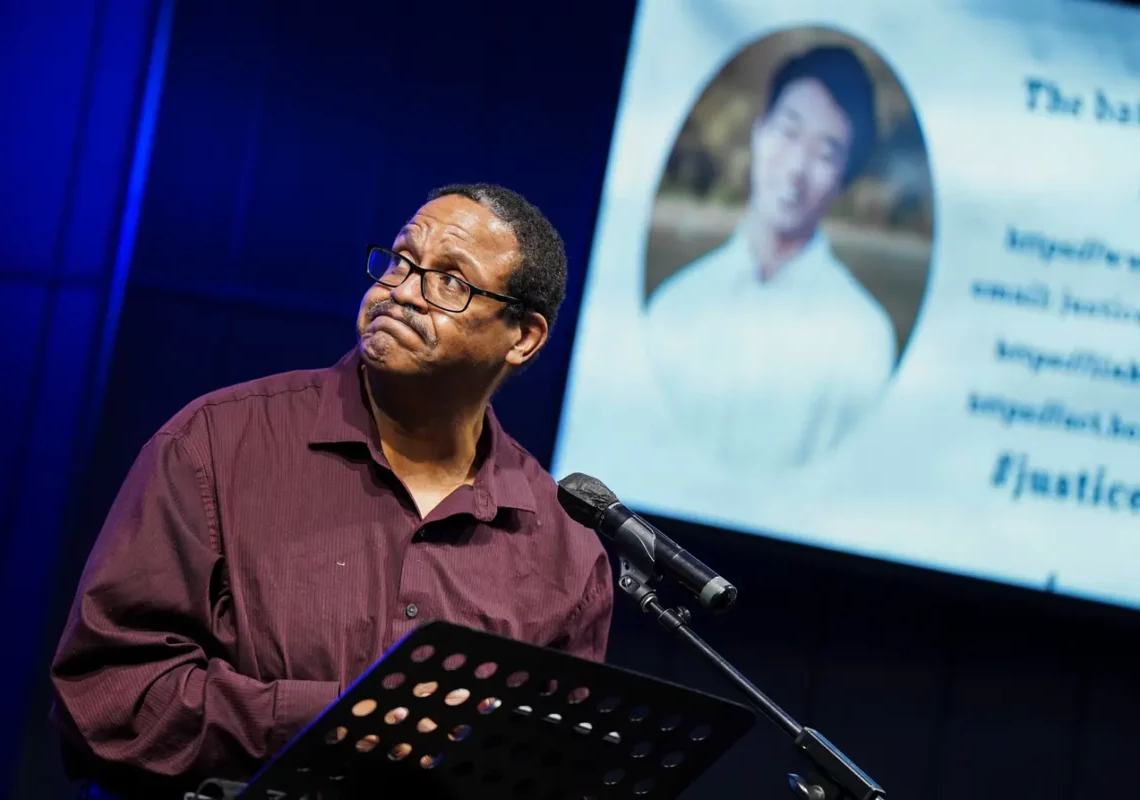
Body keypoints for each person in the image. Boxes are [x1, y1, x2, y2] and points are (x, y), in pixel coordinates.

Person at [50, 184, 614, 798]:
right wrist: (344, 716)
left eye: (451, 280)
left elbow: (548, 770)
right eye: (401, 260)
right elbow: (110, 698)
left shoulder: (565, 548)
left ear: (523, 337)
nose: (399, 290)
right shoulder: (217, 443)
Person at [645, 46, 897, 470]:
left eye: (826, 153)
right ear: (760, 131)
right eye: (788, 131)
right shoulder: (675, 306)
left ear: (844, 181)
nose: (797, 166)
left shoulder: (863, 339)